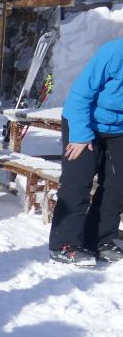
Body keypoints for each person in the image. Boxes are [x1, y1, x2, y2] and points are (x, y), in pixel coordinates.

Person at [48, 38, 123, 266]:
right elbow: (80, 94)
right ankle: (64, 245)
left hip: (119, 128)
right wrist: (81, 134)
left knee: (118, 184)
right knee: (78, 180)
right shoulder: (115, 51)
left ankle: (100, 239)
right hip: (84, 119)